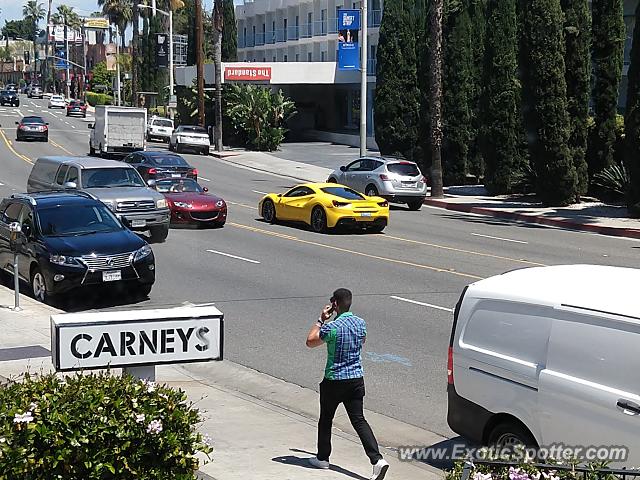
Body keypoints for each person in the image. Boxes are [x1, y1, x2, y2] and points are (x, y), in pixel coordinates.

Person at [305, 288, 389, 480]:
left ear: (335, 304)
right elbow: (363, 340)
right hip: (355, 379)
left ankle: (323, 458)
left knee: (326, 419)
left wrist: (321, 320)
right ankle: (377, 460)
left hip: (334, 380)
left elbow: (310, 341)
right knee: (359, 420)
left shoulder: (332, 327)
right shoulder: (361, 323)